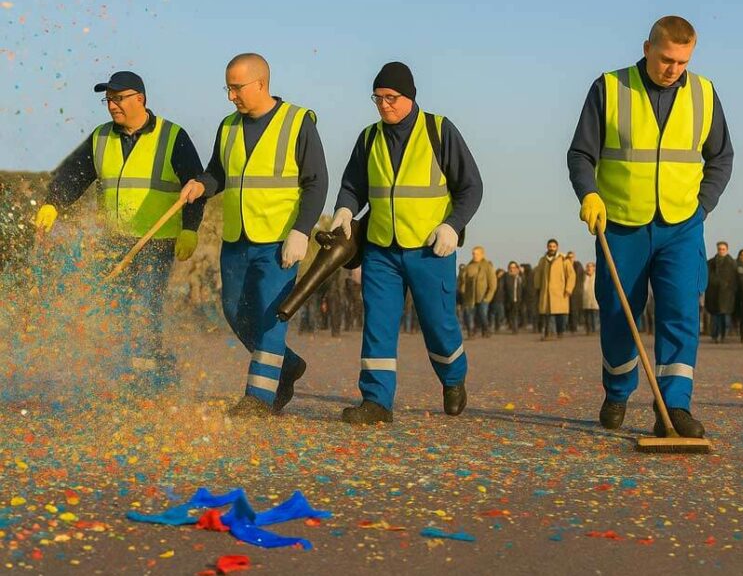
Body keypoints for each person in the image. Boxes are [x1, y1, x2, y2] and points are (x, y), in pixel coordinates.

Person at [568, 15, 734, 438]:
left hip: (681, 224)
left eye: (682, 61)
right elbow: (581, 154)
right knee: (620, 313)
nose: (673, 69)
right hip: (621, 223)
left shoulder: (704, 94)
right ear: (647, 48)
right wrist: (588, 194)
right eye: (666, 59)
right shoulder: (609, 87)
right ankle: (618, 390)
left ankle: (673, 407)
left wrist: (703, 205)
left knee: (680, 313)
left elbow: (721, 157)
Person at [329, 61, 483, 424]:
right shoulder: (369, 138)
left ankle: (453, 376)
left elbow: (471, 187)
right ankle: (376, 401)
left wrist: (452, 225)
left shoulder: (439, 131)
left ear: (410, 97)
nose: (384, 105)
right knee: (378, 324)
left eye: (391, 98)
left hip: (431, 249)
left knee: (438, 324)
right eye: (378, 98)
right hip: (381, 249)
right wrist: (343, 210)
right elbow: (353, 186)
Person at [34, 70, 205, 386]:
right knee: (116, 308)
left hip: (157, 240)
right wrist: (53, 204)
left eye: (119, 98)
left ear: (140, 99)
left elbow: (195, 184)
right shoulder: (100, 137)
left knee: (144, 306)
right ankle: (140, 369)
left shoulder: (172, 136)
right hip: (112, 240)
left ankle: (144, 379)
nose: (112, 105)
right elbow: (73, 176)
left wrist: (190, 228)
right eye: (108, 99)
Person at [181, 53, 327, 417]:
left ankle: (258, 399)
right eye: (227, 88)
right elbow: (218, 173)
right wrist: (201, 185)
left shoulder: (298, 122)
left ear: (261, 84)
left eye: (237, 88)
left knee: (270, 315)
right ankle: (288, 365)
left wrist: (301, 230)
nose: (231, 96)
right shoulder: (227, 127)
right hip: (236, 239)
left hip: (280, 240)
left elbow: (316, 181)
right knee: (233, 312)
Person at [534, 238, 576, 340]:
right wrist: (538, 287)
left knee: (560, 315)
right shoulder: (543, 260)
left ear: (557, 247)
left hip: (560, 292)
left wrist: (568, 289)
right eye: (550, 246)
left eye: (553, 246)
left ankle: (560, 332)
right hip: (546, 292)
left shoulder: (564, 260)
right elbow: (538, 274)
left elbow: (571, 275)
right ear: (547, 247)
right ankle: (550, 334)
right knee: (549, 314)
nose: (551, 248)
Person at [459, 246, 497, 338]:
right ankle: (470, 332)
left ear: (482, 254)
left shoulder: (487, 266)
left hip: (483, 297)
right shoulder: (469, 266)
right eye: (473, 253)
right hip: (469, 297)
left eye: (476, 254)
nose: (474, 255)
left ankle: (486, 330)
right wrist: (462, 291)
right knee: (469, 315)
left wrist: (488, 297)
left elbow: (493, 284)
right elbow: (462, 280)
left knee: (483, 315)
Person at [705, 241, 737, 343]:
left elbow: (735, 279)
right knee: (715, 317)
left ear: (727, 250)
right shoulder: (710, 263)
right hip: (713, 293)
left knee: (724, 317)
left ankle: (723, 335)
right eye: (719, 249)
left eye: (723, 249)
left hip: (727, 295)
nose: (721, 251)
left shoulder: (732, 263)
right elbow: (708, 276)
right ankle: (715, 335)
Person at [501, 261, 527, 333]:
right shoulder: (506, 276)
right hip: (508, 299)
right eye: (511, 267)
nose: (512, 269)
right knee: (509, 314)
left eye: (514, 267)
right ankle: (512, 325)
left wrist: (522, 273)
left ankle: (515, 329)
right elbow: (502, 287)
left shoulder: (519, 277)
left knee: (515, 314)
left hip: (518, 299)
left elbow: (524, 286)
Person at [581, 261, 599, 334]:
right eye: (587, 267)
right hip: (586, 300)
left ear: (594, 268)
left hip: (595, 300)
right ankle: (589, 330)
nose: (589, 268)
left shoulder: (596, 277)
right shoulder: (584, 277)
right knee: (587, 317)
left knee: (595, 317)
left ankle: (595, 330)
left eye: (590, 267)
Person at [490, 268, 506, 334]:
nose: (501, 274)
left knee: (500, 314)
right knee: (494, 314)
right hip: (494, 299)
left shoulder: (503, 280)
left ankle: (497, 326)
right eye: (500, 273)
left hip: (501, 299)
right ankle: (493, 326)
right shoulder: (494, 280)